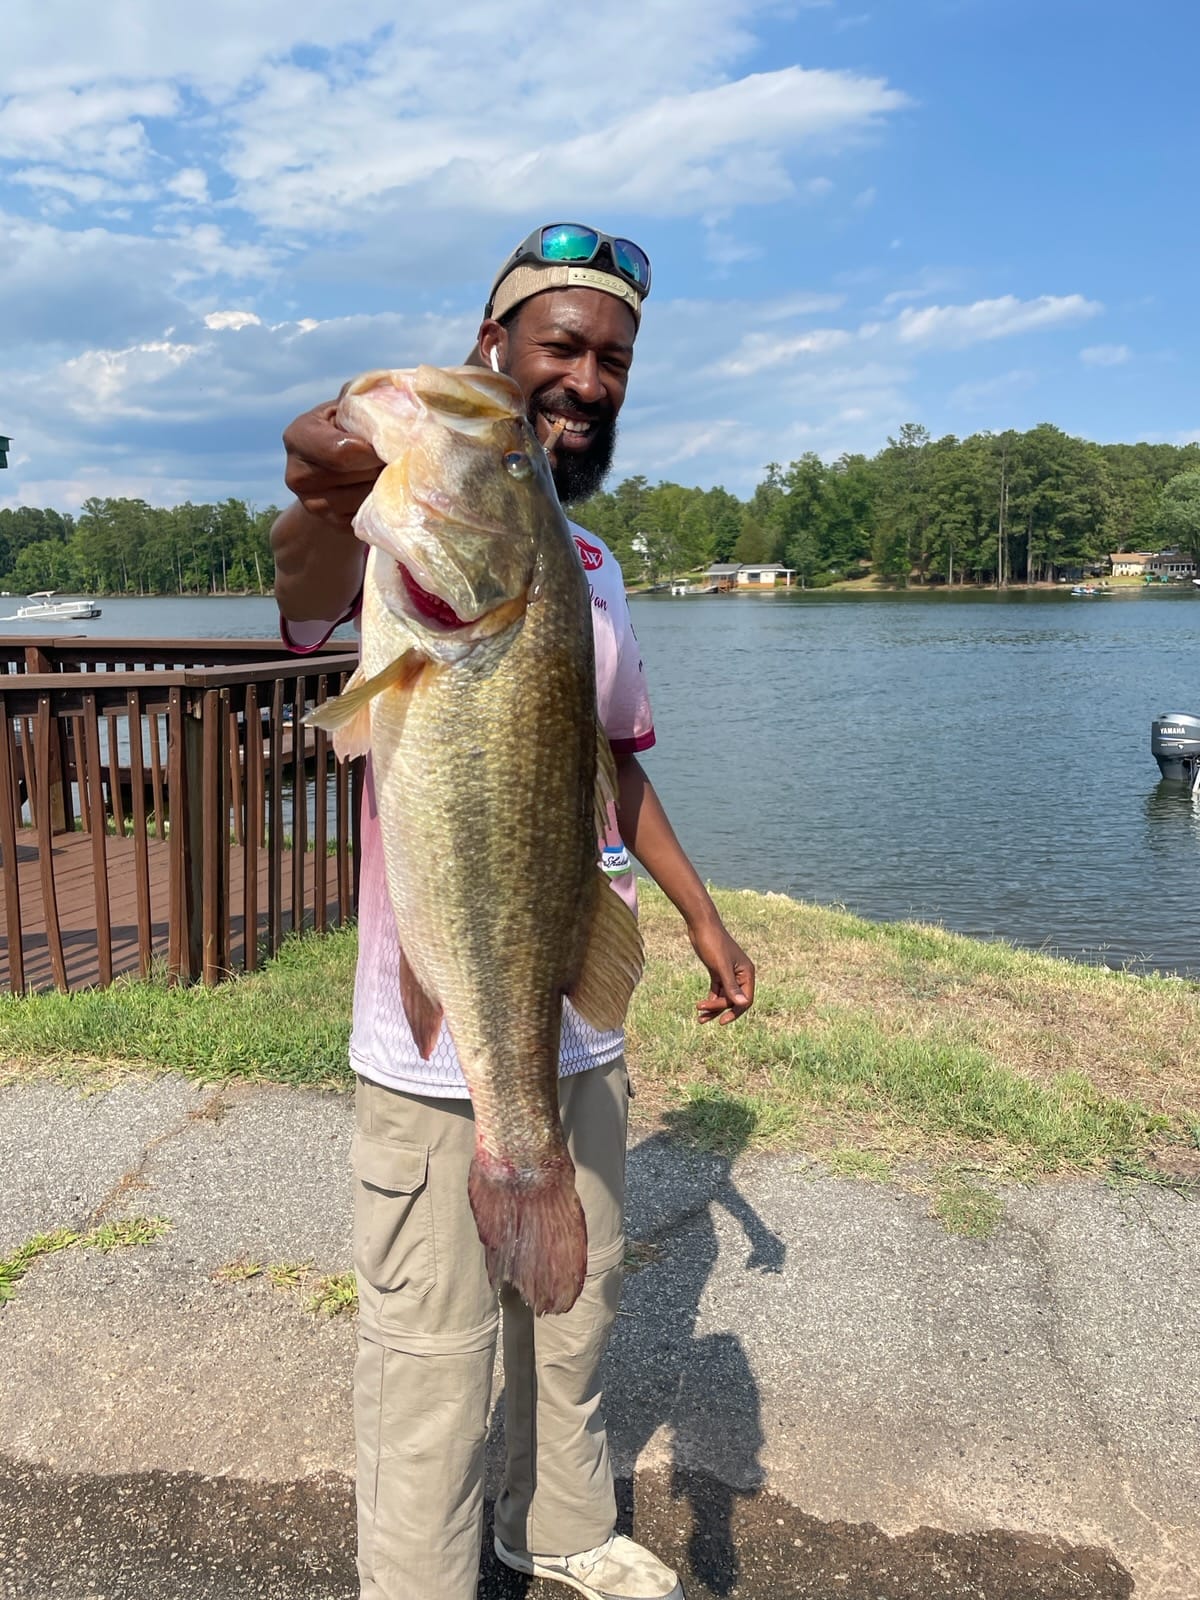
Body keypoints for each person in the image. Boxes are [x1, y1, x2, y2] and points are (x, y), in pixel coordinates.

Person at [272, 222, 756, 1600]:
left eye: (614, 360)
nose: (589, 380)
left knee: (575, 1314)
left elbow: (618, 764)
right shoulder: (403, 549)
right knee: (431, 1354)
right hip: (438, 1042)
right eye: (564, 347)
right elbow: (306, 571)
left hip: (576, 1033)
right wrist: (326, 470)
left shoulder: (586, 564)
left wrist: (707, 923)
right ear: (497, 348)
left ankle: (554, 1528)